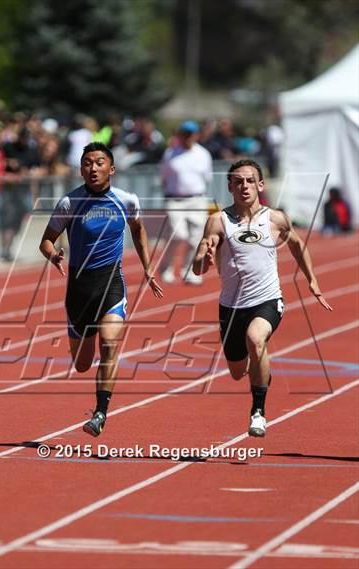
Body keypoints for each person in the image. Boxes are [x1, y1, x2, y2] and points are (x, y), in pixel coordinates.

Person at [193, 159, 332, 437]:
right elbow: (197, 265)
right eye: (238, 181)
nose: (244, 186)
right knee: (236, 371)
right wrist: (203, 260)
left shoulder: (276, 218)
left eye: (249, 180)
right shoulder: (217, 221)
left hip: (267, 299)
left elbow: (297, 245)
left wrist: (312, 279)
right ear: (230, 186)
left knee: (256, 339)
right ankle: (260, 372)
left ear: (260, 184)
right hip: (231, 306)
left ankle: (258, 411)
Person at [39, 142, 163, 437]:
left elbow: (138, 229)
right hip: (79, 291)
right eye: (87, 163)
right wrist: (54, 254)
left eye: (98, 162)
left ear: (112, 168)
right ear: (80, 169)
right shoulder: (70, 203)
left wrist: (147, 266)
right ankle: (85, 334)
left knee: (110, 344)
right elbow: (45, 240)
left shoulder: (126, 200)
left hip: (110, 284)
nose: (92, 168)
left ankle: (100, 413)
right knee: (82, 364)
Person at [160, 120, 213, 285]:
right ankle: (166, 268)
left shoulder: (203, 154)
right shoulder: (170, 154)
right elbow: (163, 176)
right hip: (175, 200)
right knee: (178, 235)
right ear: (180, 135)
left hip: (197, 199)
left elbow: (207, 177)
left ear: (197, 135)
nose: (188, 137)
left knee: (195, 239)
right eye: (185, 134)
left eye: (191, 134)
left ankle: (189, 270)